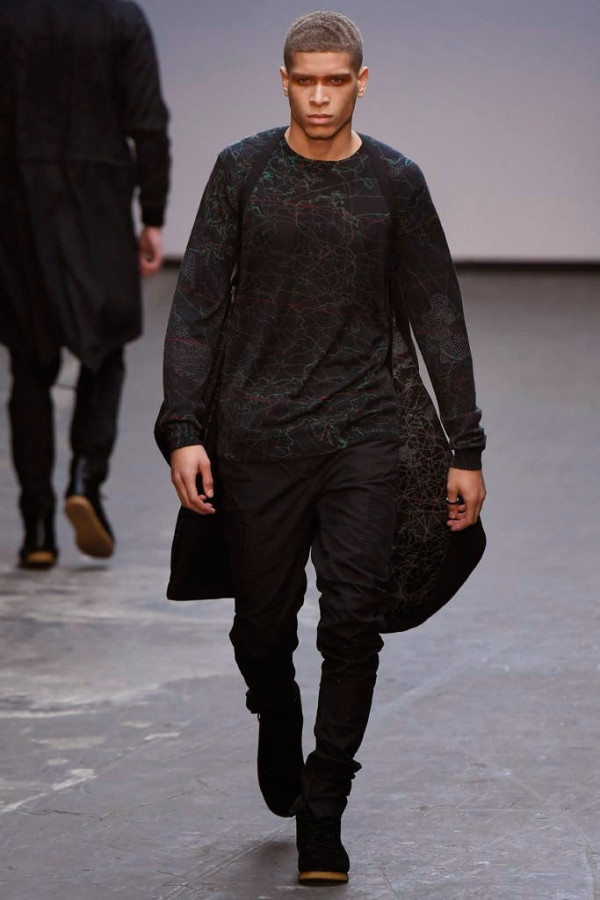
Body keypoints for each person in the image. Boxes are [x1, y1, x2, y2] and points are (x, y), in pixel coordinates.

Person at [156, 11, 486, 886]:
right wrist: (184, 429)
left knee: (352, 623)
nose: (319, 96)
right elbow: (197, 306)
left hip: (364, 432)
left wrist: (466, 444)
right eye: (305, 80)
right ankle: (276, 707)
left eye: (335, 80)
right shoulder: (243, 171)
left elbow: (437, 311)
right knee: (262, 625)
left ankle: (325, 806)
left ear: (361, 82)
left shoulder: (394, 182)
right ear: (284, 80)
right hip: (256, 434)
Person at [0, 0, 170, 568]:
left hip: (18, 201)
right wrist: (153, 214)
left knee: (29, 362)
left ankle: (37, 527)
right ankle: (85, 477)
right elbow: (148, 121)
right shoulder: (120, 17)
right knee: (106, 347)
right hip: (97, 199)